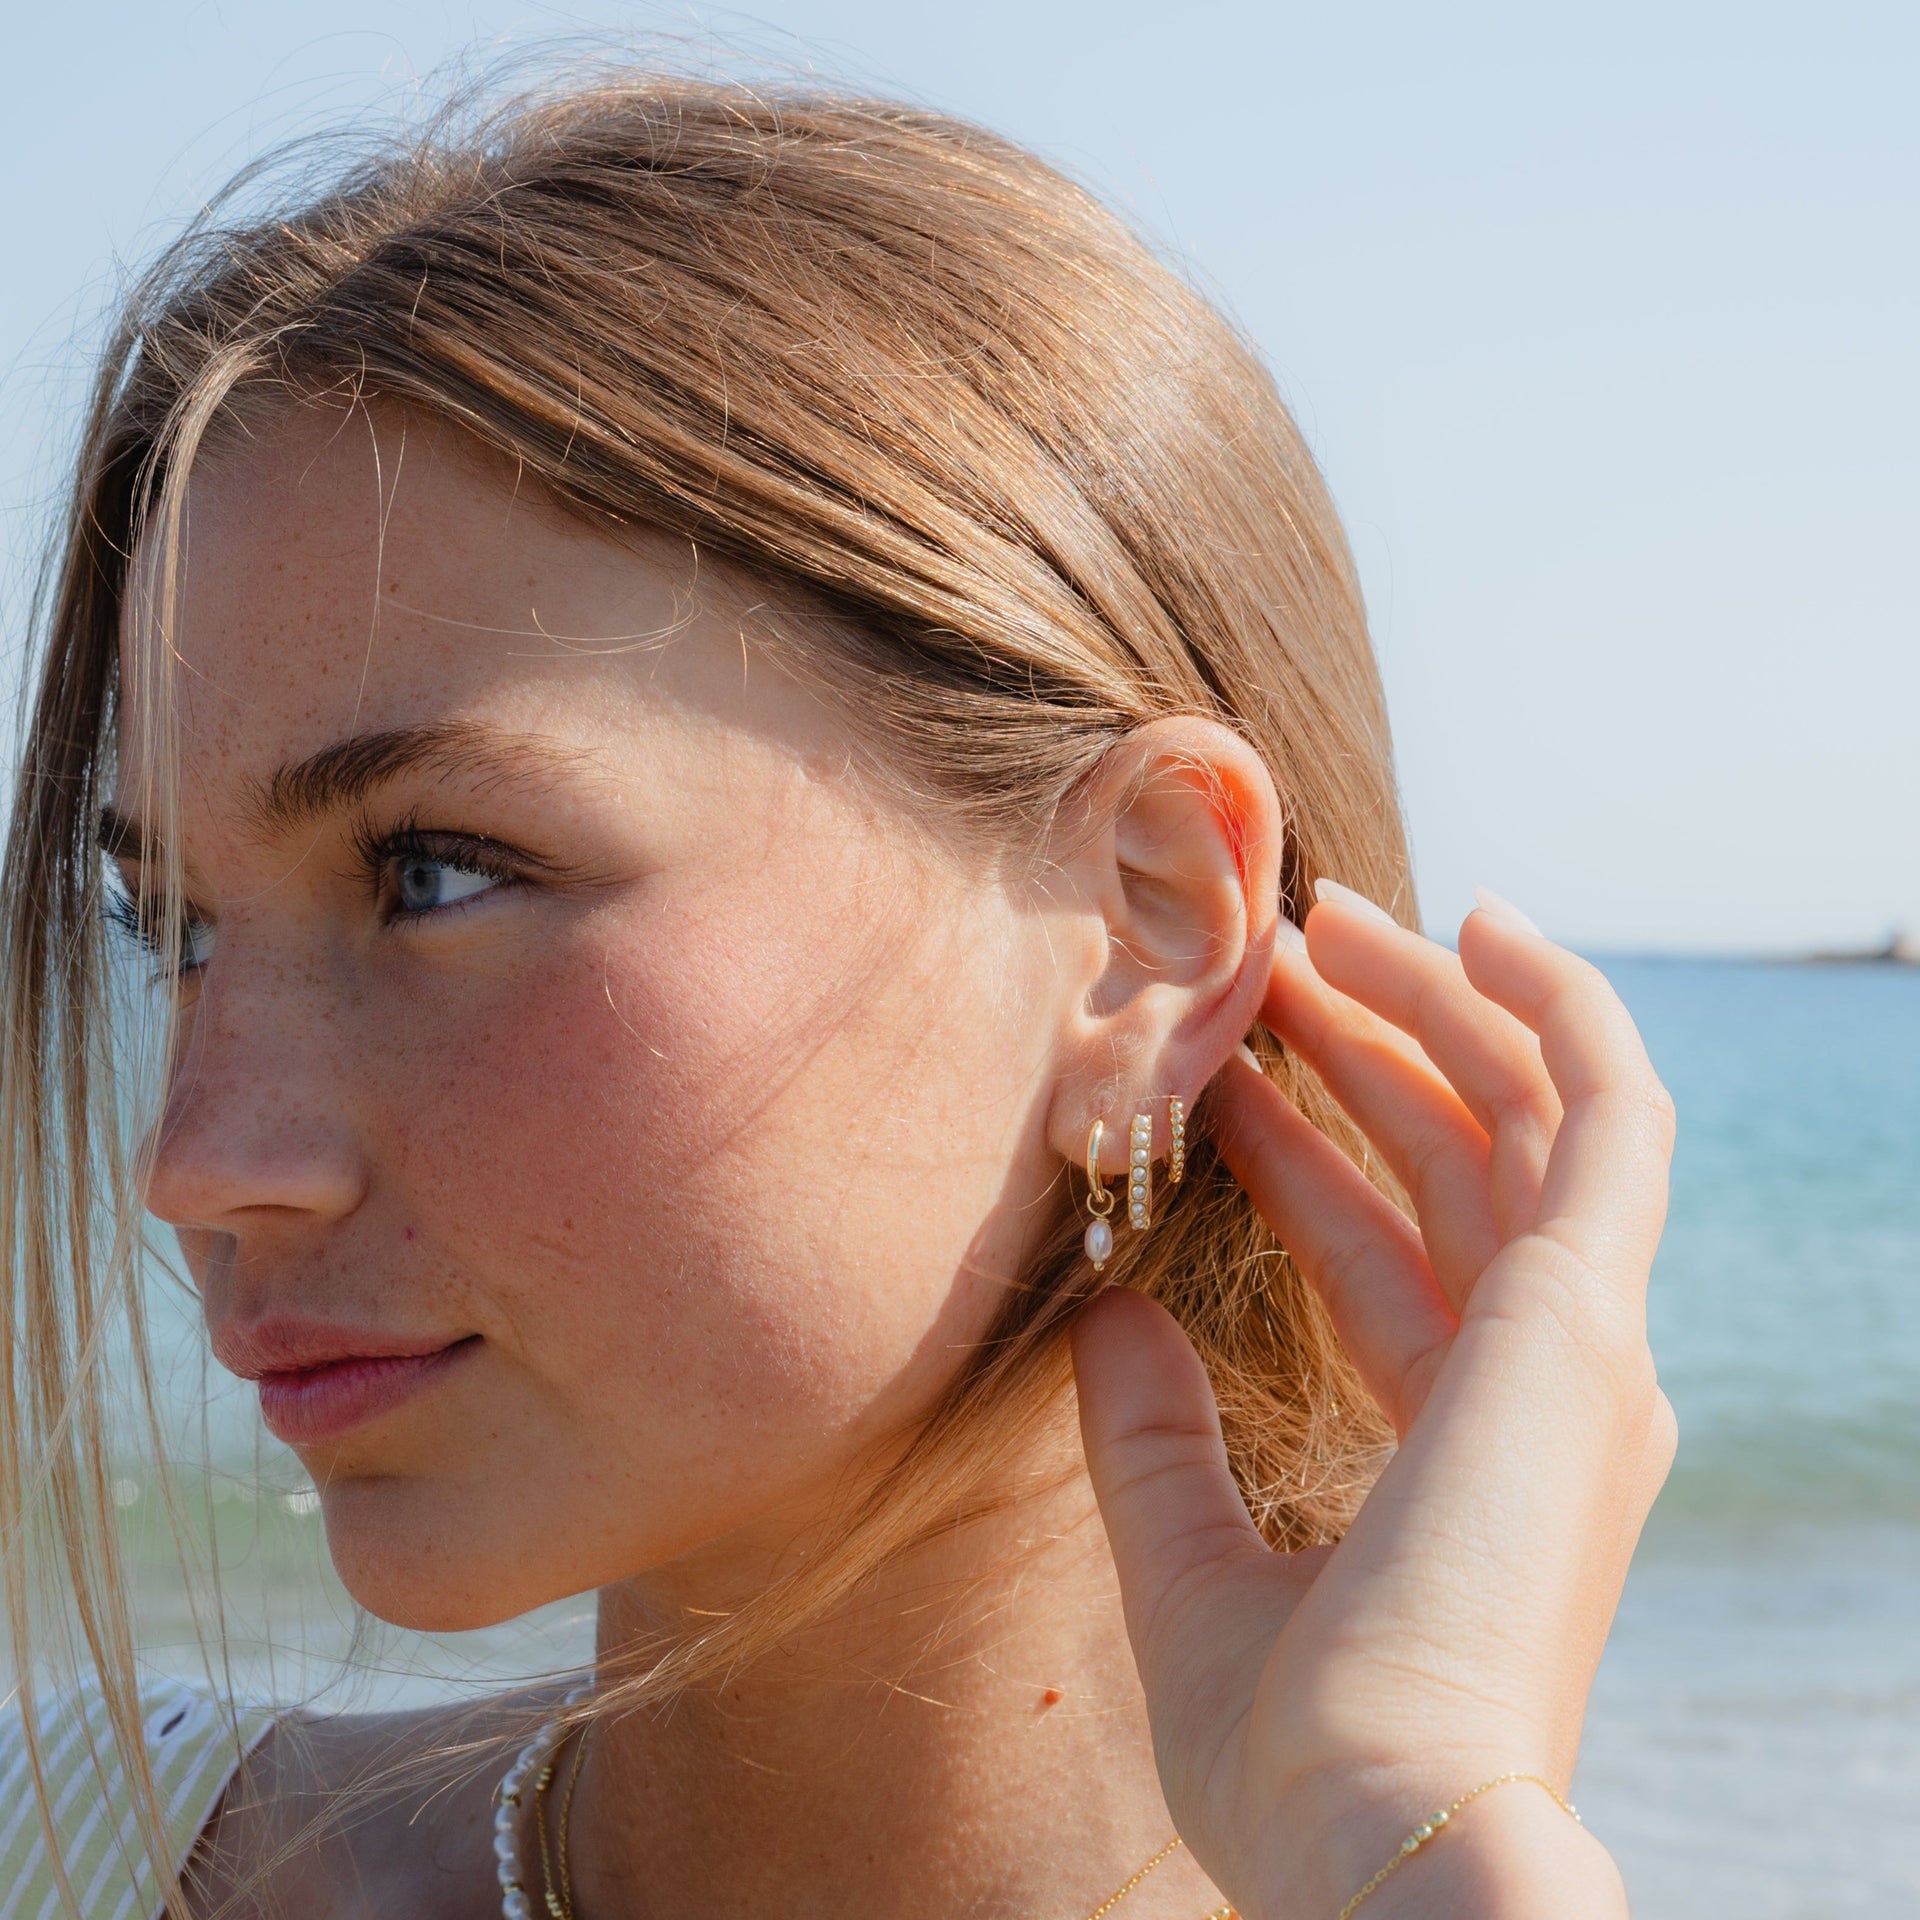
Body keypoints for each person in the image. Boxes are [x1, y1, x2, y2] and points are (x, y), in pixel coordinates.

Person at [0, 69, 1676, 1920]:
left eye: (435, 871)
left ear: (1144, 920)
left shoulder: (1415, 1872)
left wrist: (1410, 1833)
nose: (200, 1157)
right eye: (179, 927)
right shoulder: (59, 1846)